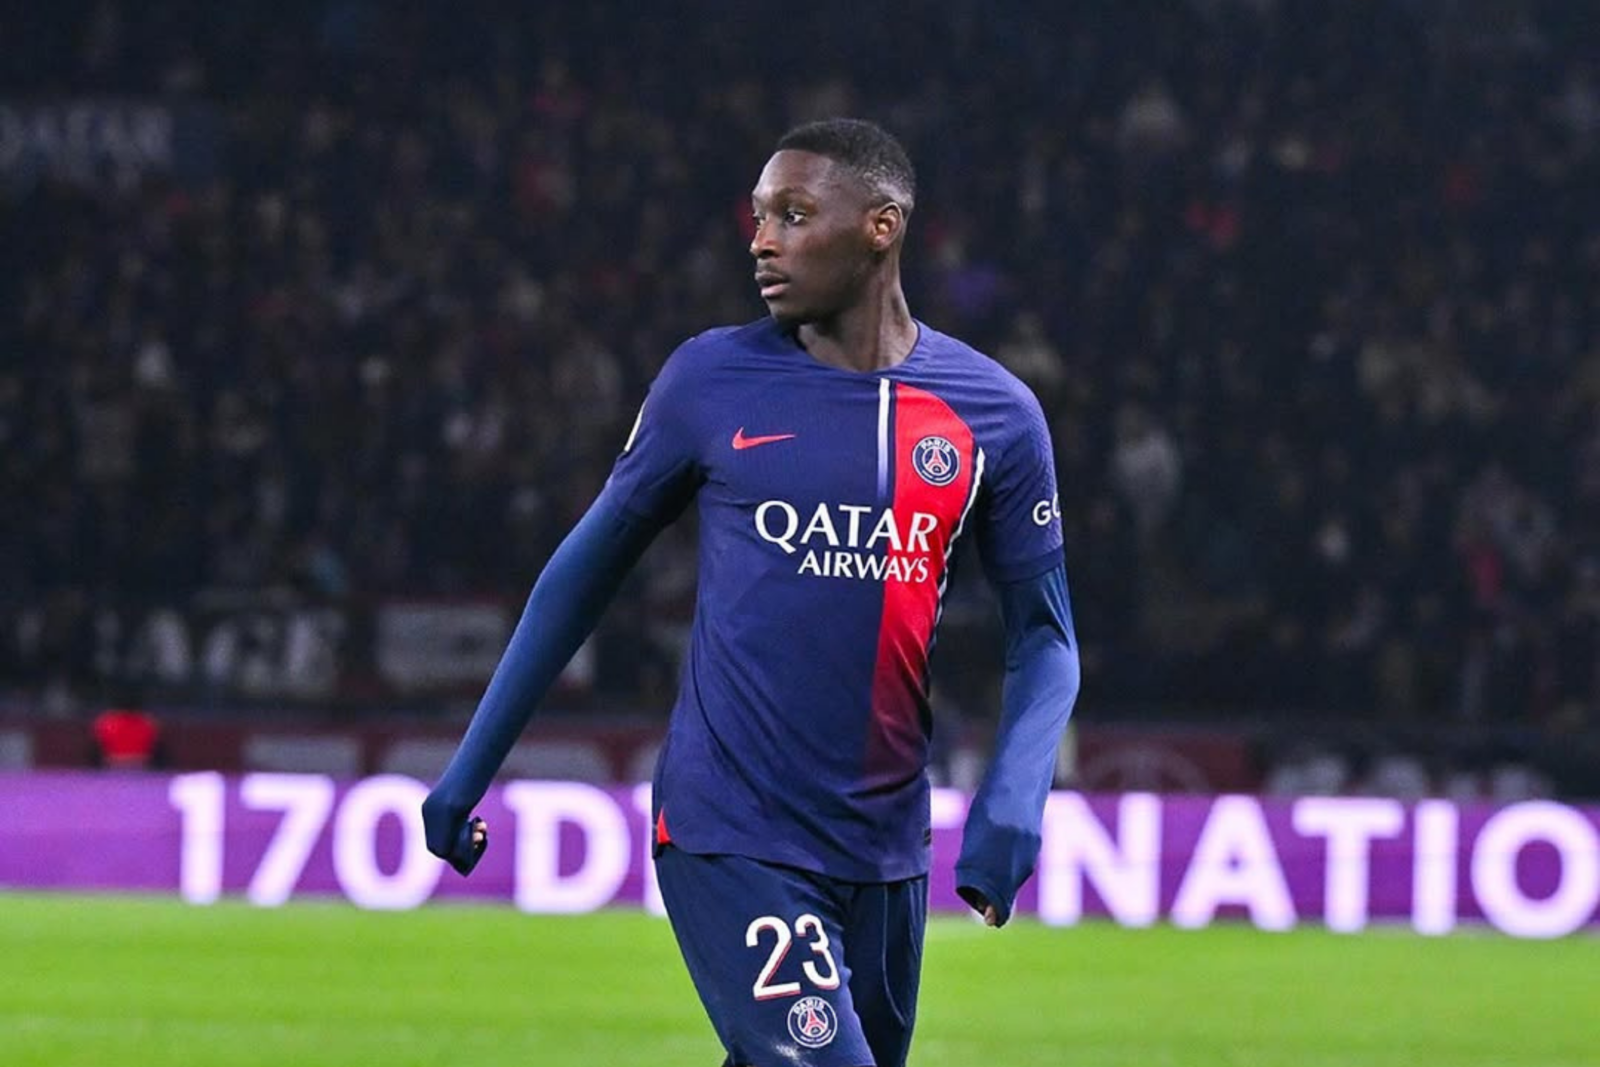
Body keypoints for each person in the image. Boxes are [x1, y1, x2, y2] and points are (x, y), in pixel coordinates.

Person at [422, 118, 1081, 1067]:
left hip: (885, 846)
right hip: (730, 824)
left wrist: (1014, 802)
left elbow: (1046, 638)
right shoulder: (710, 382)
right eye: (759, 217)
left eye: (795, 214)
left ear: (881, 227)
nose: (762, 240)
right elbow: (580, 576)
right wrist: (470, 765)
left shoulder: (994, 416)